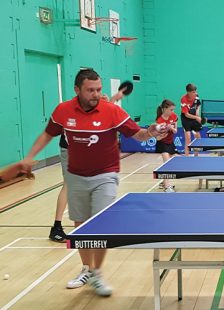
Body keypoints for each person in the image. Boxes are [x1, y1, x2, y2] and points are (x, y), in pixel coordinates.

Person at [20, 68, 169, 296]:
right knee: (81, 225)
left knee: (101, 224)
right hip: (76, 175)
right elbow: (48, 134)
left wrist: (151, 131)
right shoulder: (63, 110)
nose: (96, 94)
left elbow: (138, 134)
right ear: (77, 90)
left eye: (99, 89)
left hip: (105, 175)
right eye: (90, 90)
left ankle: (97, 273)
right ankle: (87, 269)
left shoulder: (111, 110)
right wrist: (29, 158)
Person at [49, 91, 126, 243]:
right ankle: (56, 227)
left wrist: (111, 101)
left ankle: (85, 223)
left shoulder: (95, 109)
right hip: (70, 149)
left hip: (83, 151)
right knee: (69, 184)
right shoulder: (73, 110)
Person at [155, 99, 178, 192]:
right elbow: (157, 138)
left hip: (170, 143)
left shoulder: (174, 116)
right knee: (167, 164)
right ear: (165, 109)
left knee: (172, 163)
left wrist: (171, 128)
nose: (172, 111)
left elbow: (175, 131)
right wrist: (163, 135)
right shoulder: (159, 121)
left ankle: (164, 181)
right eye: (171, 109)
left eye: (173, 109)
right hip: (162, 143)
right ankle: (167, 187)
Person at [180, 83, 203, 155]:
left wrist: (197, 112)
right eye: (193, 92)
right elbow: (186, 114)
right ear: (188, 92)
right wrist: (197, 117)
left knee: (198, 137)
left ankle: (196, 155)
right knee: (188, 138)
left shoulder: (196, 96)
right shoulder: (183, 99)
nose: (195, 93)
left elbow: (198, 105)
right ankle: (187, 157)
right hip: (186, 120)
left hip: (194, 117)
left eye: (195, 91)